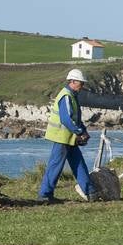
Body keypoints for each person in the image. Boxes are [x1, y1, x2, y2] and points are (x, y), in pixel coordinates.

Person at [39, 69, 93, 204]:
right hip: (62, 137)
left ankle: (90, 191)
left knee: (77, 163)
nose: (82, 85)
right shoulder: (67, 96)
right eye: (80, 83)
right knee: (57, 165)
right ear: (72, 82)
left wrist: (82, 130)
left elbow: (74, 118)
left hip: (68, 137)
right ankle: (45, 194)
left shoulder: (71, 95)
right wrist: (80, 132)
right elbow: (66, 119)